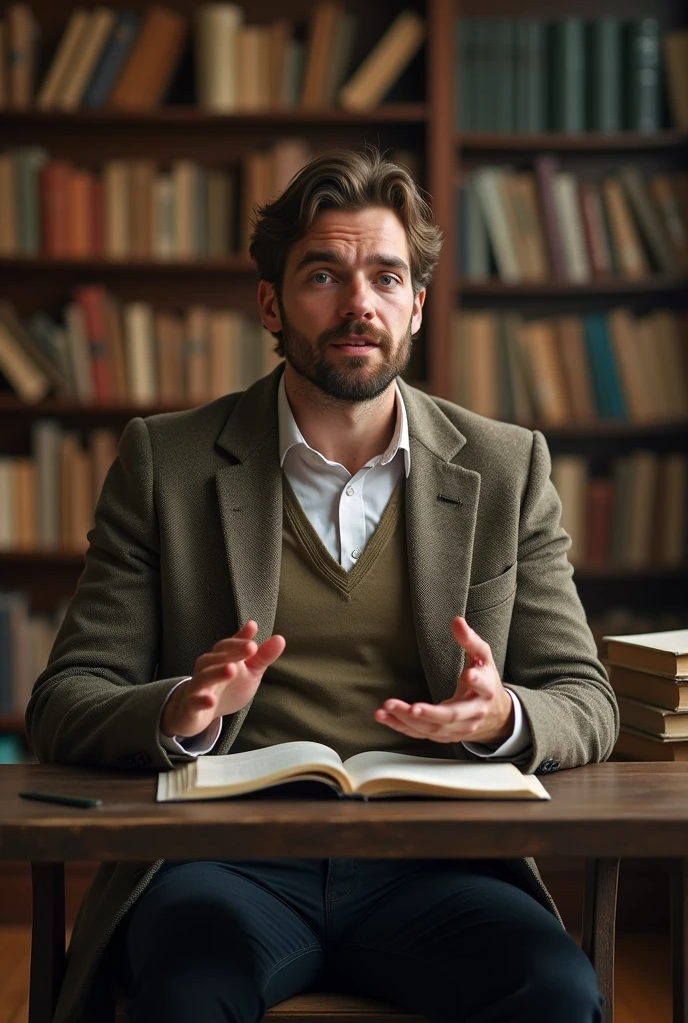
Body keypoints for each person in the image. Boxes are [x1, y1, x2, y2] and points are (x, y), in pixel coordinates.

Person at [26, 146, 618, 1023]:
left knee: (561, 995)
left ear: (416, 305)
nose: (358, 304)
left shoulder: (507, 466)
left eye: (386, 278)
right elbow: (64, 700)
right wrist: (179, 712)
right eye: (323, 275)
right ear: (271, 302)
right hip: (223, 868)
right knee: (185, 999)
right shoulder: (169, 461)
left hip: (440, 866)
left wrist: (506, 718)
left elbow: (587, 699)